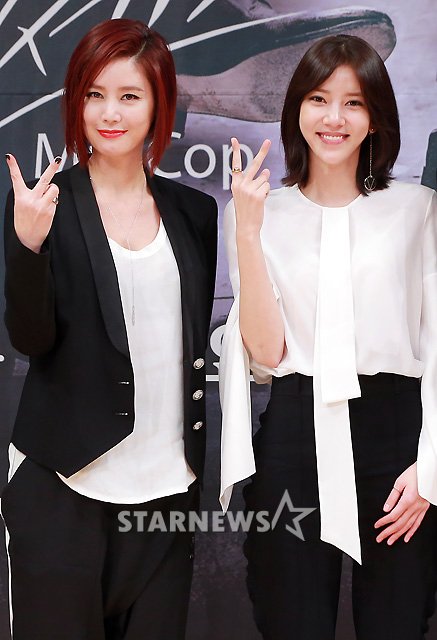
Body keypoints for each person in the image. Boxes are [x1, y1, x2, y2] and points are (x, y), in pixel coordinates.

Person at [2, 18, 217, 640]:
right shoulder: (44, 205)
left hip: (166, 492)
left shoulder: (194, 212)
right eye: (94, 94)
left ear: (159, 104)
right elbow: (30, 339)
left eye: (129, 95)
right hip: (64, 485)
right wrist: (27, 247)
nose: (110, 113)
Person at [219, 34, 437, 639]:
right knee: (289, 616)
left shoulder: (417, 209)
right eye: (318, 99)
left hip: (397, 437)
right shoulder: (256, 211)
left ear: (376, 118)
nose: (334, 118)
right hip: (294, 434)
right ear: (296, 109)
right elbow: (266, 355)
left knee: (398, 619)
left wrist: (430, 466)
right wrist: (248, 231)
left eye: (354, 102)